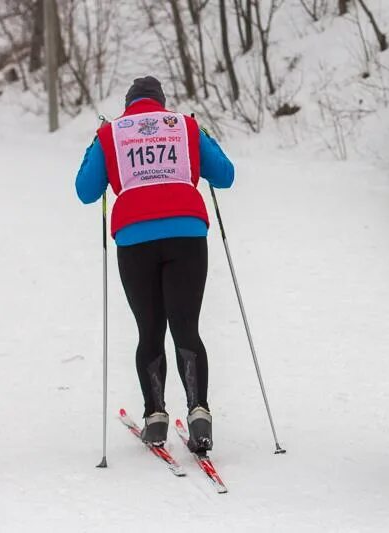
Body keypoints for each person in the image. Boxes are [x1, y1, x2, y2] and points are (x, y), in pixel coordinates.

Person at [75, 76, 234, 452]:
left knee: (150, 330)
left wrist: (94, 144)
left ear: (129, 105)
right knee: (186, 327)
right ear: (162, 103)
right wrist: (203, 135)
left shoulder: (110, 134)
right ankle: (199, 412)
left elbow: (85, 191)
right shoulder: (184, 126)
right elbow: (225, 176)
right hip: (187, 236)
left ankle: (156, 416)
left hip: (135, 241)